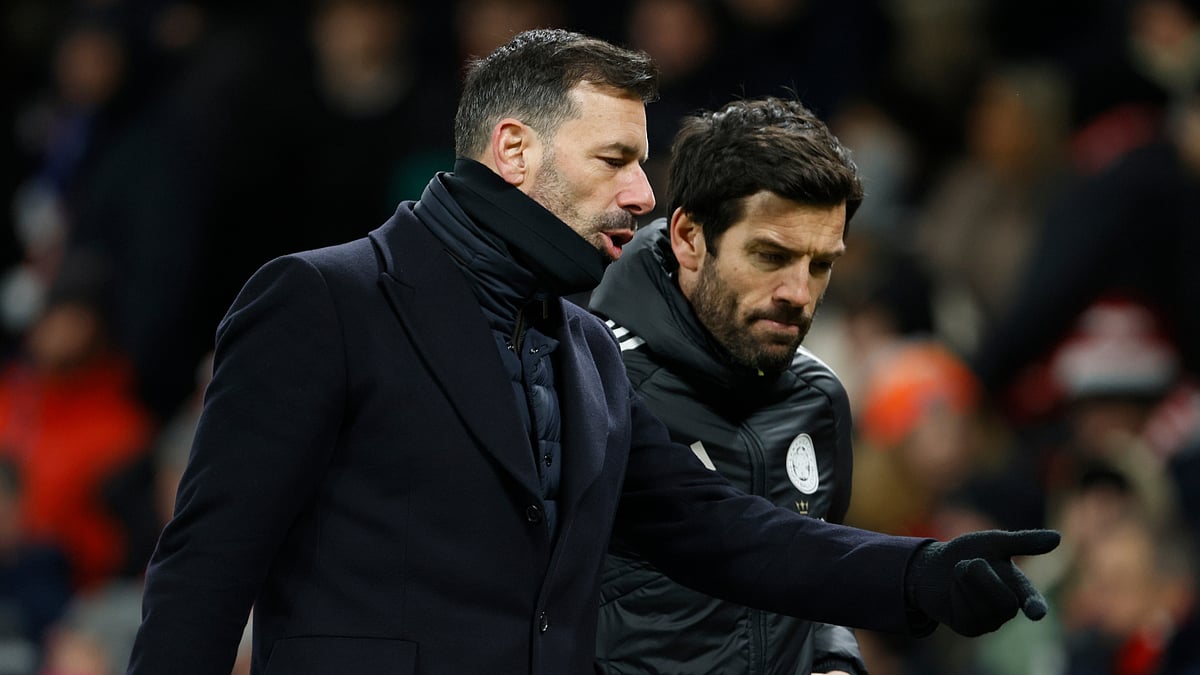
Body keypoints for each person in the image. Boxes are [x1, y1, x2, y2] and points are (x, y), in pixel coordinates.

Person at [126, 29, 1060, 675]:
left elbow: (721, 531)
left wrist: (920, 573)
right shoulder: (325, 298)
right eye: (615, 159)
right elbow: (209, 562)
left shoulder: (585, 349)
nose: (644, 195)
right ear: (514, 149)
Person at [589, 96, 872, 674]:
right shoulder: (588, 384)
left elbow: (814, 586)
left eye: (820, 265)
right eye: (772, 255)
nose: (799, 291)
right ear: (690, 236)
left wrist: (835, 663)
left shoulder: (819, 399)